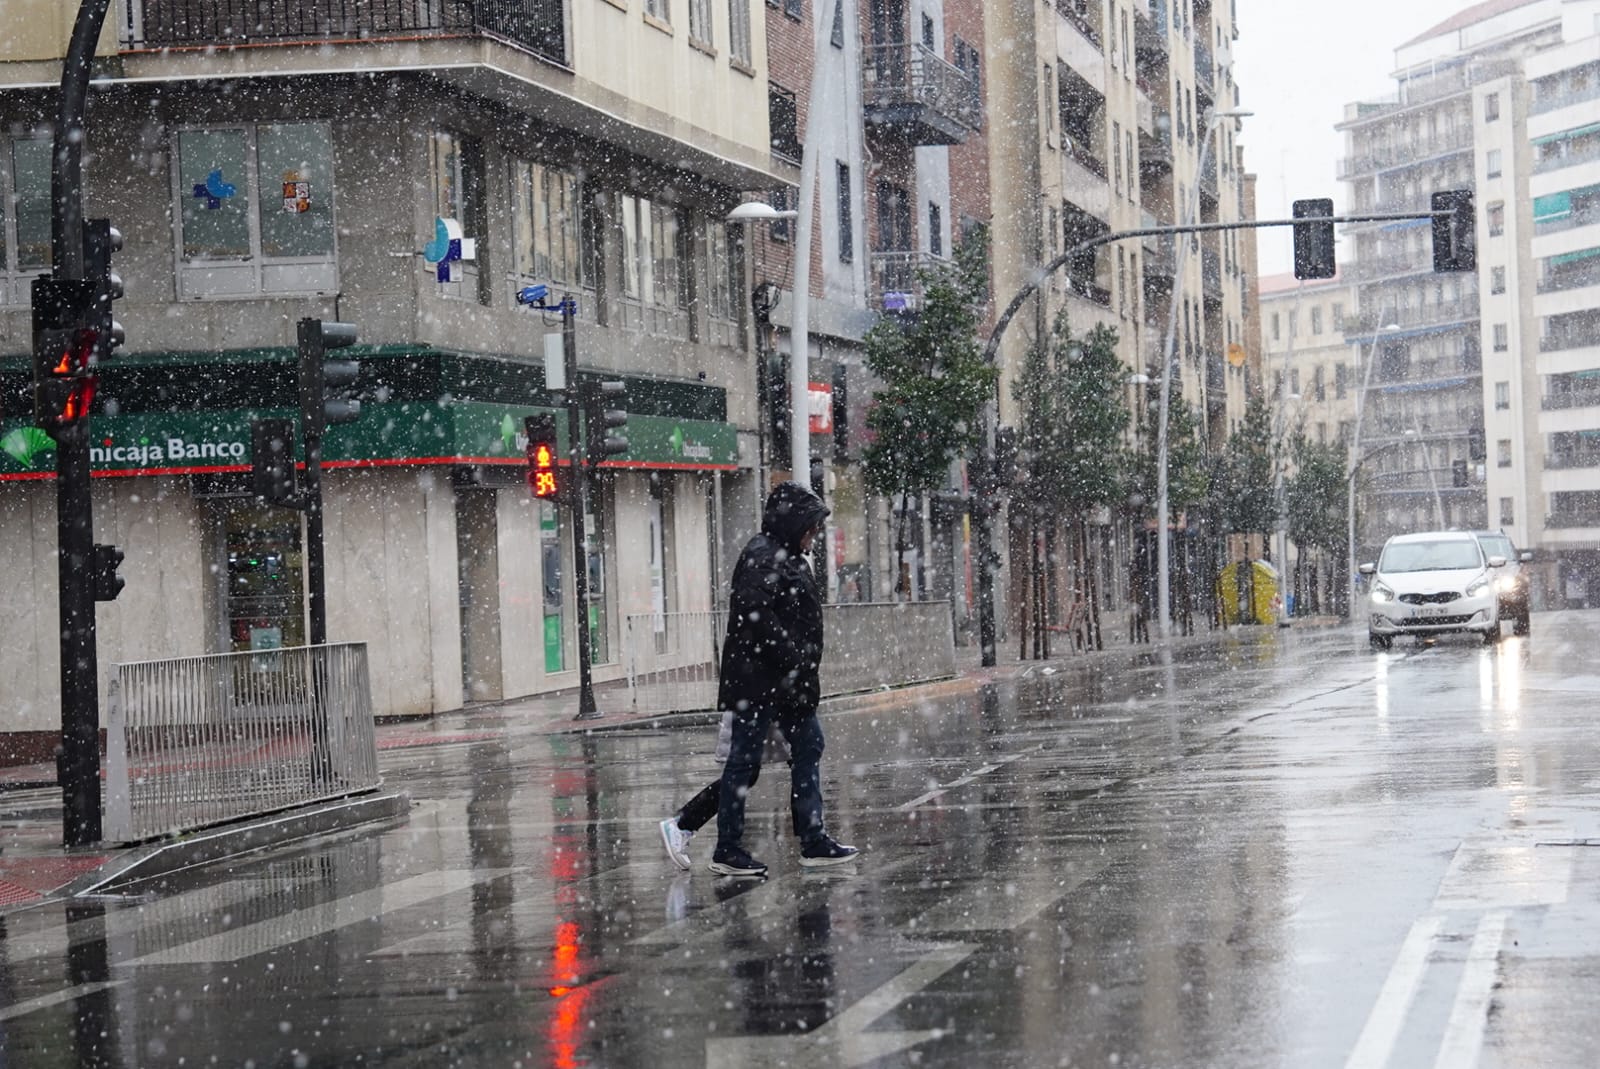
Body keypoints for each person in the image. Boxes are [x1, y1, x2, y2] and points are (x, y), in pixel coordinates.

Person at [659, 481, 858, 877]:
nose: (814, 534)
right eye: (812, 526)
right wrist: (794, 658)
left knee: (806, 746)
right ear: (794, 522)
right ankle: (718, 843)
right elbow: (758, 617)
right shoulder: (763, 555)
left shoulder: (787, 556)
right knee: (745, 764)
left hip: (785, 683)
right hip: (762, 683)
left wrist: (799, 665)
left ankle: (812, 839)